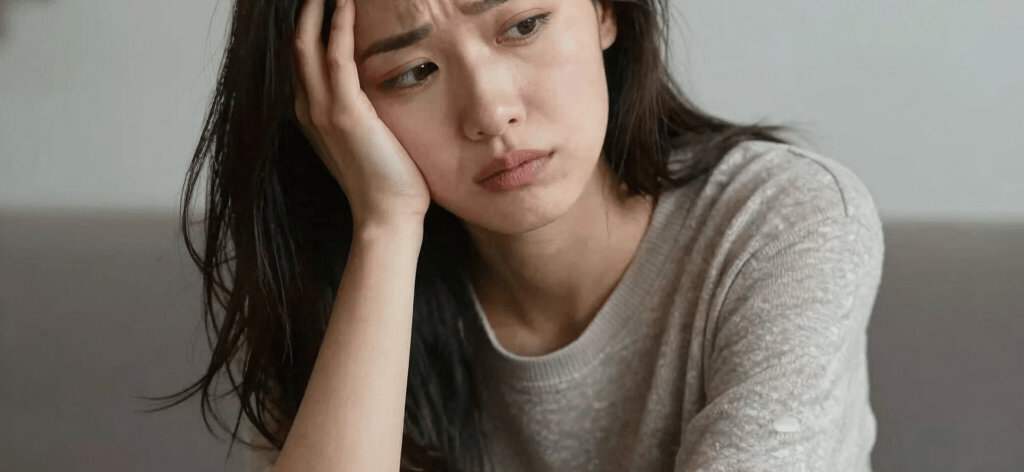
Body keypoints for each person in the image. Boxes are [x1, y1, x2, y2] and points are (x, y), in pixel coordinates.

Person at [150, 0, 884, 469]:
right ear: (336, 111)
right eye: (412, 72)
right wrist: (384, 228)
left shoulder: (782, 224)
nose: (491, 110)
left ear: (603, 11)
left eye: (523, 26)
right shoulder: (347, 296)